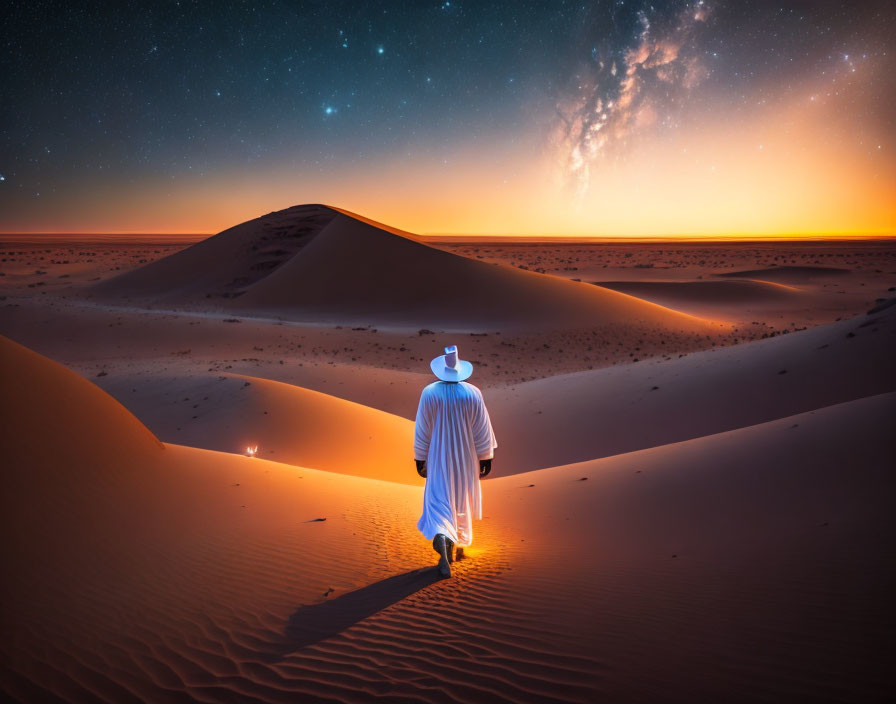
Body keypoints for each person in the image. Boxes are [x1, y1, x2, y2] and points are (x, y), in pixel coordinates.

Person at [414, 344, 497, 577]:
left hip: (438, 455)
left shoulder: (429, 392)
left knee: (439, 497)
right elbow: (482, 429)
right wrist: (485, 456)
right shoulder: (472, 393)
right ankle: (458, 546)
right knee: (461, 498)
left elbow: (423, 429)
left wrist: (420, 457)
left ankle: (443, 538)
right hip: (466, 456)